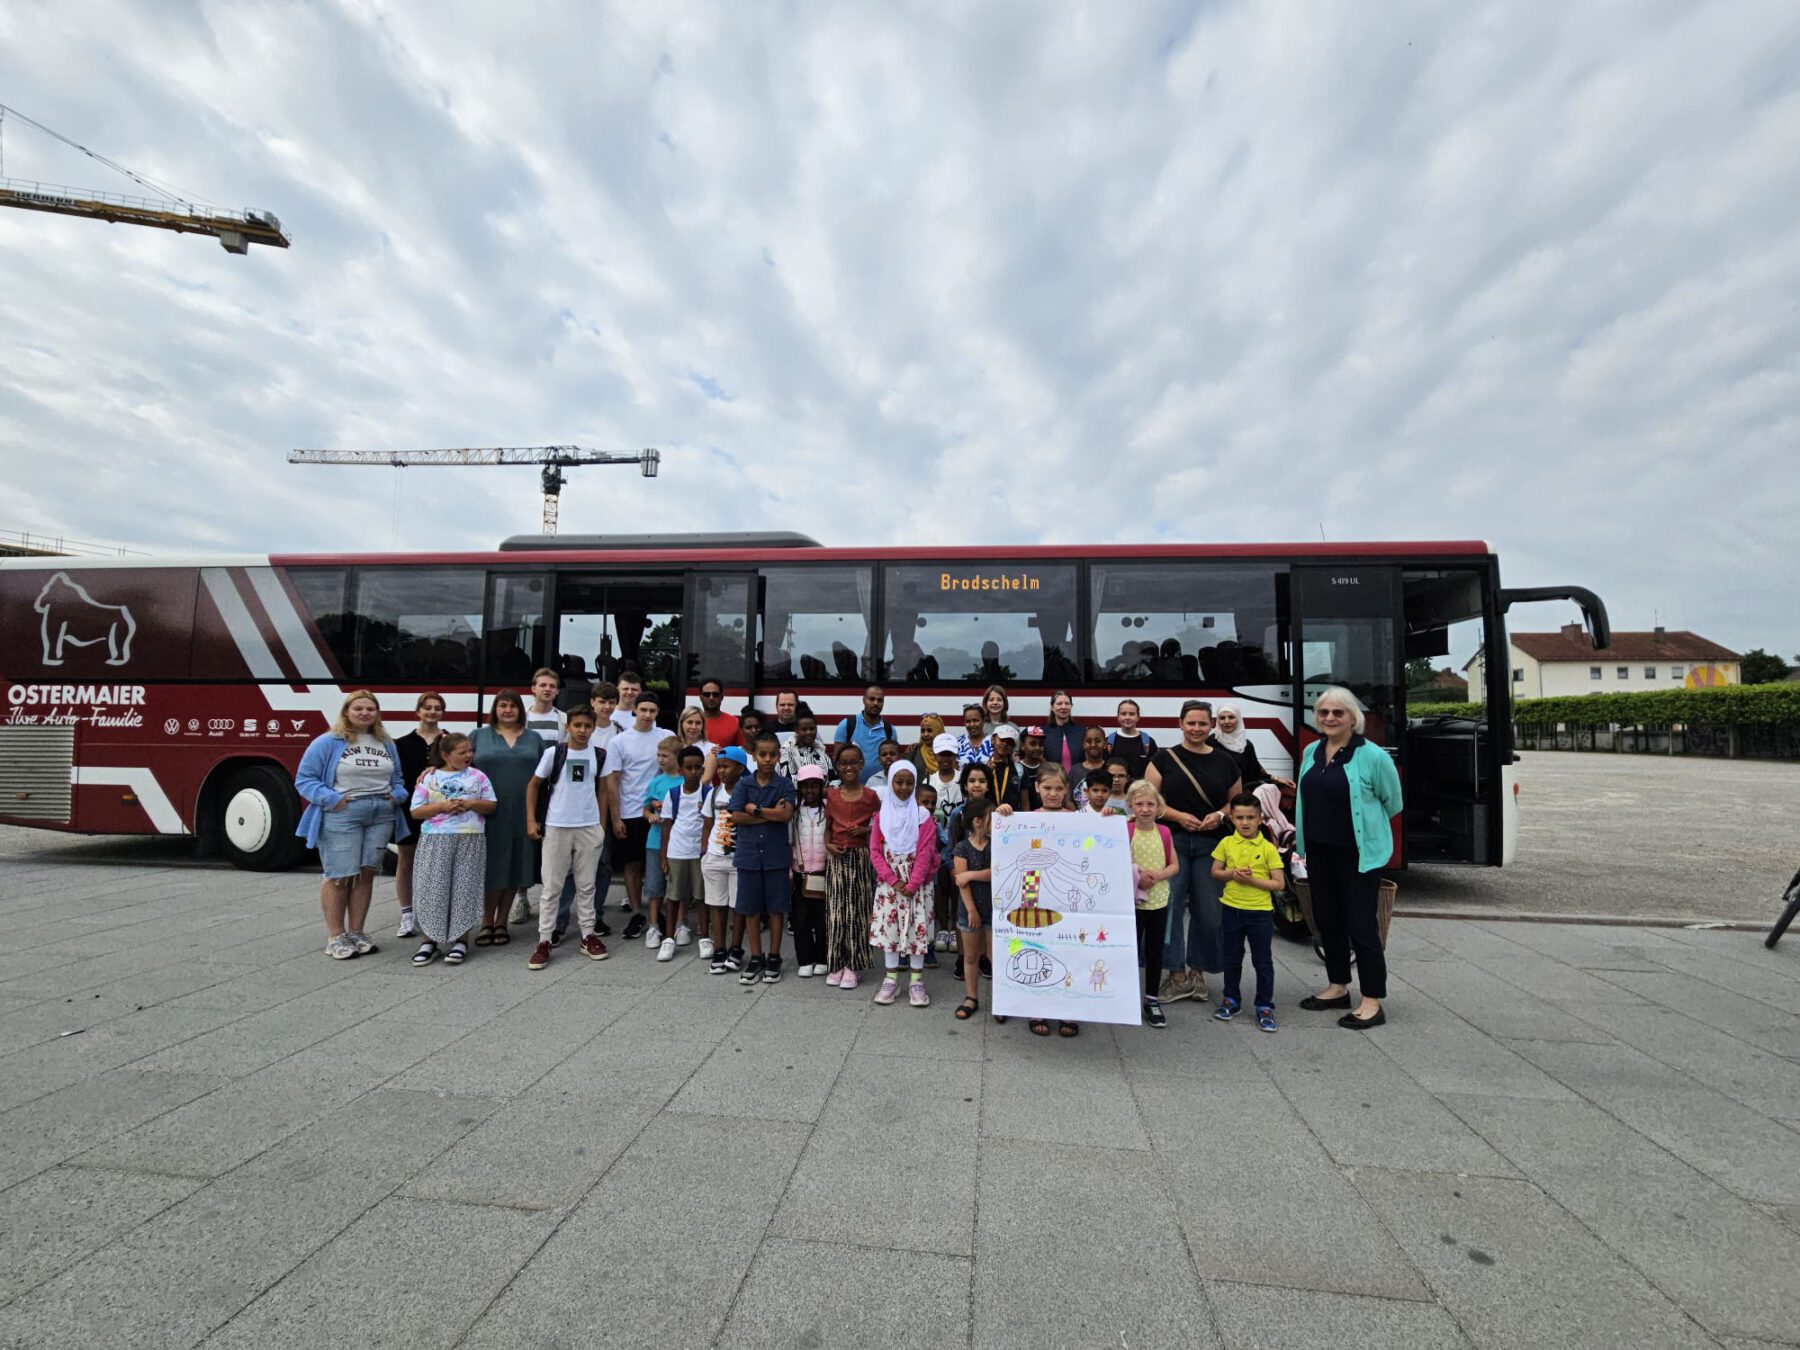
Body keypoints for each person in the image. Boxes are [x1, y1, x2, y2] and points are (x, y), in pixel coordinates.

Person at [1294, 686, 1403, 1029]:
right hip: (1319, 850)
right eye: (1323, 712)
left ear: (1352, 718)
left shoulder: (1373, 756)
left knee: (1361, 925)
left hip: (1358, 855)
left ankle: (1372, 1000)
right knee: (1328, 921)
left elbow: (1393, 802)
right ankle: (1338, 986)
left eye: (1337, 713)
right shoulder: (1312, 750)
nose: (1329, 718)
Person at [295, 690, 410, 960]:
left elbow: (399, 778)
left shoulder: (386, 743)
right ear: (347, 711)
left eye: (370, 709)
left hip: (380, 812)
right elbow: (305, 779)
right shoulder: (328, 742)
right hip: (343, 813)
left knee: (366, 871)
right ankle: (336, 936)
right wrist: (332, 800)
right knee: (339, 874)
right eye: (358, 708)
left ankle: (357, 932)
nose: (364, 713)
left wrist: (397, 796)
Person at [1146, 700, 1244, 1006]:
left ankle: (1198, 972)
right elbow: (1150, 800)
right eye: (1191, 723)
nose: (1197, 729)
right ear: (1180, 724)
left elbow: (1236, 801)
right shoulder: (1163, 758)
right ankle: (1176, 975)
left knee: (1210, 911)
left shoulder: (1226, 761)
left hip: (1211, 844)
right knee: (1169, 907)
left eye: (1203, 723)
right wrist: (1177, 816)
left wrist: (1220, 815)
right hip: (1171, 842)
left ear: (1211, 724)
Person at [523, 706, 609, 970]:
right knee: (552, 887)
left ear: (593, 728)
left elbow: (604, 791)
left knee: (586, 885)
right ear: (568, 727)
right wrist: (531, 820)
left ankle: (587, 934)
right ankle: (545, 940)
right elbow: (533, 785)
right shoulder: (554, 753)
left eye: (587, 726)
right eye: (578, 725)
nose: (582, 731)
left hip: (588, 827)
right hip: (557, 826)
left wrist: (601, 826)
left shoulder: (599, 755)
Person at [407, 732, 497, 966]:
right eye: (462, 752)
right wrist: (442, 807)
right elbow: (416, 811)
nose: (468, 755)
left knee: (465, 887)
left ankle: (461, 940)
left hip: (470, 838)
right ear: (446, 755)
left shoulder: (478, 776)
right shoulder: (429, 778)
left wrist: (469, 803)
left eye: (470, 751)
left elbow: (491, 805)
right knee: (433, 887)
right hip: (436, 838)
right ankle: (429, 941)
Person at [1211, 793, 1287, 1031]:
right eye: (1240, 817)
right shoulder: (1226, 843)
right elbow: (1215, 872)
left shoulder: (1267, 848)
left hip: (1259, 912)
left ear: (1260, 819)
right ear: (1232, 818)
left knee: (1262, 961)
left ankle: (1265, 1004)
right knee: (1231, 957)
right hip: (1231, 908)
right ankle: (1231, 999)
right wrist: (1232, 874)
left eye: (1250, 818)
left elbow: (1279, 884)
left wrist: (1253, 881)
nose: (1245, 823)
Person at [470, 691, 538, 947]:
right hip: (488, 811)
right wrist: (432, 768)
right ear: (495, 709)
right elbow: (458, 762)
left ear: (520, 709)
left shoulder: (533, 738)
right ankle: (486, 921)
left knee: (514, 866)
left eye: (512, 706)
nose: (508, 710)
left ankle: (502, 922)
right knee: (492, 867)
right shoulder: (479, 735)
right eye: (503, 705)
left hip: (523, 810)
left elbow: (544, 774)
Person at [553, 681, 620, 945]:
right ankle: (559, 920)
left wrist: (609, 820)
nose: (606, 706)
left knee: (602, 867)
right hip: (570, 814)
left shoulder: (619, 732)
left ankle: (595, 916)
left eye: (610, 702)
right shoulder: (571, 736)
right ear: (592, 702)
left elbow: (609, 784)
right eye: (601, 701)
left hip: (598, 812)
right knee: (570, 870)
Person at [728, 732, 796, 984]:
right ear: (754, 756)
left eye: (772, 754)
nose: (767, 759)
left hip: (777, 857)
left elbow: (785, 815)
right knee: (750, 909)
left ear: (779, 755)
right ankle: (756, 956)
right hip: (748, 856)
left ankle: (774, 955)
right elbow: (736, 816)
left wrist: (754, 809)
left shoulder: (785, 785)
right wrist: (770, 813)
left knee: (777, 908)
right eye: (762, 754)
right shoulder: (744, 785)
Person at [868, 762, 938, 1007]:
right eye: (899, 782)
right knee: (891, 932)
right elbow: (875, 852)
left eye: (910, 782)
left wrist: (912, 883)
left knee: (915, 931)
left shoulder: (923, 817)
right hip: (890, 886)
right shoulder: (881, 816)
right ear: (890, 783)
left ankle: (916, 982)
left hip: (916, 886)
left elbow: (926, 852)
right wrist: (894, 881)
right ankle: (891, 979)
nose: (904, 787)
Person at [602, 693, 665, 942]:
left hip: (658, 813)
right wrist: (615, 818)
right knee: (632, 865)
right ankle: (638, 912)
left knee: (658, 864)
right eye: (643, 710)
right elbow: (613, 781)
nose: (648, 715)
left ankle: (657, 912)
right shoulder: (619, 741)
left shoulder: (666, 737)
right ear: (634, 711)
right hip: (630, 812)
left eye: (652, 710)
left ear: (657, 711)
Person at [823, 744, 880, 989]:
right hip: (836, 859)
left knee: (857, 912)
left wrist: (865, 829)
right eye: (843, 763)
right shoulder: (832, 796)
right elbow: (826, 829)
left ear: (861, 764)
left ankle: (853, 965)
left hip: (859, 858)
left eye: (853, 762)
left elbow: (881, 827)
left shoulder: (870, 797)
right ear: (837, 766)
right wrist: (828, 845)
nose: (848, 767)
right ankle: (836, 962)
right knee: (836, 913)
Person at [392, 691, 446, 940]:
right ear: (418, 711)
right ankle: (407, 914)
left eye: (437, 708)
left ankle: (434, 913)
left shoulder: (449, 741)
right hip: (410, 811)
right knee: (406, 861)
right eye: (428, 708)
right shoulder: (401, 743)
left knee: (437, 865)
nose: (432, 712)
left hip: (442, 813)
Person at [1125, 781, 1179, 1029]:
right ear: (1131, 806)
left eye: (1150, 804)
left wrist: (1157, 875)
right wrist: (1139, 874)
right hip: (1131, 903)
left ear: (1159, 807)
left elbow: (1173, 865)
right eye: (1139, 804)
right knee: (1129, 950)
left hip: (1158, 901)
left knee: (1155, 951)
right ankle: (1126, 997)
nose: (1145, 809)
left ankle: (1152, 998)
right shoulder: (1126, 830)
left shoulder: (1165, 833)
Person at [654, 745, 710, 960]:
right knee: (674, 896)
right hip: (677, 852)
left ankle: (705, 938)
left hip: (699, 853)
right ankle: (668, 939)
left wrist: (706, 850)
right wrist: (663, 856)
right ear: (681, 769)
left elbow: (709, 823)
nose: (693, 772)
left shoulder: (708, 793)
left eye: (697, 767)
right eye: (689, 768)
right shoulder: (673, 794)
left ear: (703, 768)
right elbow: (667, 826)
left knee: (702, 897)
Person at [701, 748, 747, 971]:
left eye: (726, 766)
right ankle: (719, 948)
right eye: (719, 766)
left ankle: (736, 948)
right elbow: (708, 824)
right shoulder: (714, 792)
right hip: (715, 855)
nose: (721, 771)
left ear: (740, 768)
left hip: (739, 858)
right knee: (717, 905)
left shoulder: (747, 791)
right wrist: (704, 853)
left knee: (738, 906)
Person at [951, 798, 994, 1021]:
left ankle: (1001, 1000)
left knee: (995, 957)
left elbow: (998, 872)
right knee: (970, 957)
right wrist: (971, 910)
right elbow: (961, 883)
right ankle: (971, 997)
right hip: (970, 911)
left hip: (995, 910)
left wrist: (971, 874)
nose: (995, 821)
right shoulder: (962, 848)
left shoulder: (996, 844)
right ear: (977, 822)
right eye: (991, 817)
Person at [640, 735, 683, 951]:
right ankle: (654, 925)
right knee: (655, 885)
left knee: (680, 884)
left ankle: (680, 924)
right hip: (656, 839)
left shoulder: (685, 780)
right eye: (658, 755)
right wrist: (650, 814)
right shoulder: (656, 781)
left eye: (665, 755)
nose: (660, 759)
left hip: (680, 840)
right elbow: (646, 807)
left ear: (677, 757)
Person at [788, 765, 831, 976]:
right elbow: (789, 842)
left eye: (815, 786)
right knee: (801, 920)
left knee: (823, 919)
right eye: (806, 787)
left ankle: (823, 957)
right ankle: (805, 959)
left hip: (824, 871)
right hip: (800, 871)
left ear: (822, 786)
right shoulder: (795, 812)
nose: (811, 791)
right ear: (800, 788)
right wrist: (790, 870)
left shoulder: (829, 809)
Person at [1211, 703, 1285, 791]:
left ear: (1238, 719)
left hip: (1240, 798)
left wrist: (1276, 779)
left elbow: (1255, 773)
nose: (1227, 721)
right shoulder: (1210, 742)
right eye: (1222, 718)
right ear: (1218, 721)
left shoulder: (1246, 745)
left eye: (1231, 717)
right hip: (1215, 796)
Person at [831, 685, 897, 772]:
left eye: (880, 700)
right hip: (851, 785)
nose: (876, 703)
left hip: (880, 785)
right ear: (864, 700)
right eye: (872, 699)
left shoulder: (890, 730)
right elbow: (837, 761)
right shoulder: (847, 725)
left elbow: (894, 761)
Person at [1107, 699, 1157, 782]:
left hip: (1140, 791)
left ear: (1138, 717)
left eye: (1132, 714)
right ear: (1118, 717)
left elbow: (1155, 771)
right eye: (1123, 714)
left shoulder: (1148, 742)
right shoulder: (1109, 742)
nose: (1127, 717)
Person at [778, 713, 833, 782]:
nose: (808, 732)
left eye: (812, 729)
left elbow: (834, 779)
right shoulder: (786, 754)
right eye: (804, 729)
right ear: (796, 731)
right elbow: (787, 782)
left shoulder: (822, 753)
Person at [986, 725, 1029, 810]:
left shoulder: (1020, 770)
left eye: (1010, 742)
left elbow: (1025, 804)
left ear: (1013, 747)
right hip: (988, 818)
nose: (1005, 744)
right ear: (992, 740)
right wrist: (986, 772)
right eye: (1002, 739)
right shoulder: (982, 768)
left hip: (1012, 820)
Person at [1042, 691, 1085, 775]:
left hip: (1077, 781)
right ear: (1052, 707)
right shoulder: (1043, 732)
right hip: (1052, 780)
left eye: (1067, 703)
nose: (1063, 707)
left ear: (1071, 706)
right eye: (1059, 703)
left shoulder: (1081, 731)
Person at [676, 705, 720, 781]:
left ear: (703, 725)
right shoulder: (673, 746)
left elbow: (706, 779)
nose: (693, 727)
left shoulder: (712, 749)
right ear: (681, 723)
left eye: (698, 723)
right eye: (690, 722)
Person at [1071, 727, 1111, 807]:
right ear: (1083, 744)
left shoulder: (1110, 769)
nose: (1093, 745)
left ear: (1105, 744)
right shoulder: (1075, 771)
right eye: (1089, 741)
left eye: (1097, 741)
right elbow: (1068, 799)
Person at [698, 676, 740, 748]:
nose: (711, 698)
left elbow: (741, 750)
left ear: (722, 697)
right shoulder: (693, 722)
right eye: (707, 694)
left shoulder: (734, 722)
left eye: (715, 694)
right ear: (701, 698)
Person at [1017, 725, 1047, 805]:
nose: (1037, 747)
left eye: (1041, 744)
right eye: (1032, 744)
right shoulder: (1018, 769)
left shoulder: (1046, 768)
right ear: (1022, 746)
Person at [910, 713, 947, 778]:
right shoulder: (914, 752)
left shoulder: (949, 753)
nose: (925, 734)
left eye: (929, 730)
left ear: (938, 731)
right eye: (923, 731)